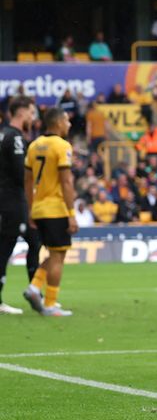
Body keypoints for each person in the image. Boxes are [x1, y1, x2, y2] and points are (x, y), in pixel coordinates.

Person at [22, 108, 78, 317]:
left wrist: (31, 209)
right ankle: (50, 304)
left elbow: (27, 181)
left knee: (54, 254)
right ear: (58, 123)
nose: (69, 125)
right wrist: (71, 213)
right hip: (56, 208)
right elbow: (66, 181)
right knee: (58, 256)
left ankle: (34, 287)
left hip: (39, 208)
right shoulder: (62, 146)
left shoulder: (34, 146)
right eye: (67, 120)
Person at [0, 98, 39, 314]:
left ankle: (36, 292)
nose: (33, 118)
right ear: (21, 113)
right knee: (5, 248)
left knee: (34, 240)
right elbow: (21, 174)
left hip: (9, 201)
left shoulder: (3, 134)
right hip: (13, 202)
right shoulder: (15, 138)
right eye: (31, 113)